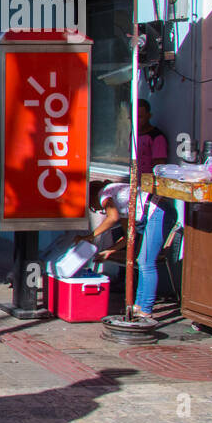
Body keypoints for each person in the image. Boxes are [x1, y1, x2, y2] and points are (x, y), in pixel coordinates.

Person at [79, 180, 168, 318]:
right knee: (142, 260)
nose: (99, 211)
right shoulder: (119, 202)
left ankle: (146, 309)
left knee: (146, 263)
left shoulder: (104, 194)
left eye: (95, 208)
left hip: (156, 211)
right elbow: (129, 236)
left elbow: (112, 217)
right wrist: (110, 250)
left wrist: (91, 236)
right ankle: (139, 305)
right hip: (156, 210)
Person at [136, 99, 168, 175]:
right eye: (133, 117)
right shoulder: (133, 134)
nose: (136, 120)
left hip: (148, 183)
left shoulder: (157, 137)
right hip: (134, 181)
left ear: (149, 116)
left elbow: (159, 168)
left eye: (140, 117)